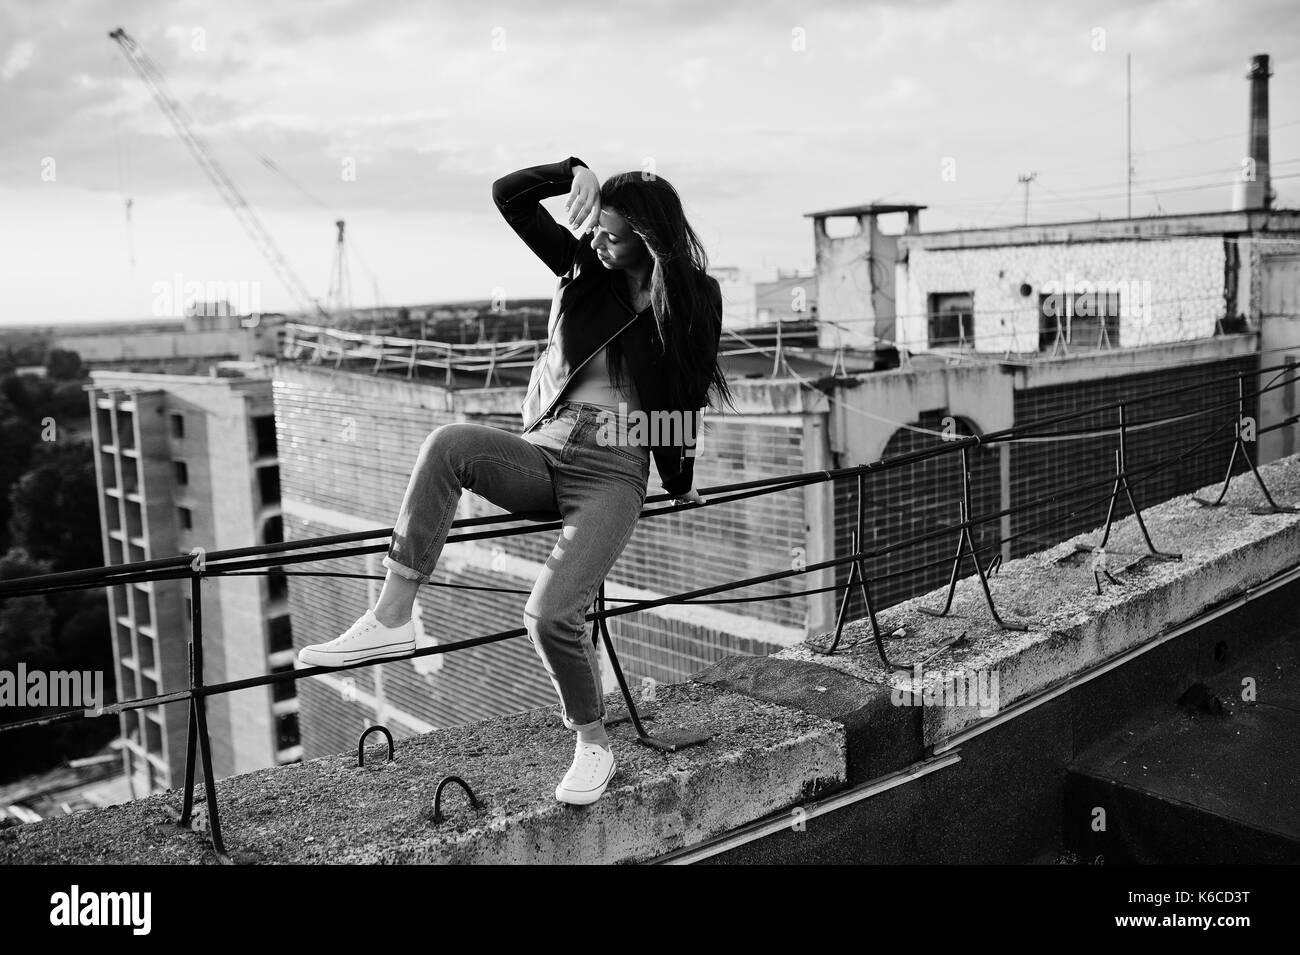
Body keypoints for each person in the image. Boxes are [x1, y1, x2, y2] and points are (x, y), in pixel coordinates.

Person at [297, 155, 736, 806]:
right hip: (545, 447)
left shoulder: (695, 293)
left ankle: (592, 743)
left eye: (614, 233)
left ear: (649, 235)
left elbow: (685, 393)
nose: (599, 240)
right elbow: (508, 196)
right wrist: (573, 171)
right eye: (598, 229)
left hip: (615, 465)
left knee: (550, 613)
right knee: (447, 444)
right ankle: (393, 617)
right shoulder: (582, 266)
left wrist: (680, 481)